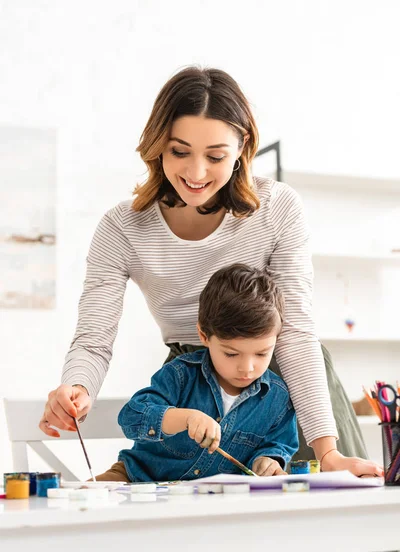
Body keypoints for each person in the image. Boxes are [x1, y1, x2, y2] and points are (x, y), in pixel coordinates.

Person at [39, 65, 382, 477]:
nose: (196, 173)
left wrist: (327, 451)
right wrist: (76, 388)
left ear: (243, 147)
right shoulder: (122, 228)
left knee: (332, 526)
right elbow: (94, 339)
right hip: (194, 390)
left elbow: (294, 331)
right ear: (157, 146)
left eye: (215, 156)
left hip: (285, 384)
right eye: (179, 151)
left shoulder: (277, 209)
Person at [95, 264, 298, 482]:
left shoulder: (277, 397)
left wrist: (266, 461)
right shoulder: (180, 375)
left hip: (212, 497)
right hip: (139, 479)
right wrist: (185, 418)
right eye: (231, 354)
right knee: (75, 505)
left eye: (261, 354)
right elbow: (131, 418)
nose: (247, 368)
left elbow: (278, 444)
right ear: (203, 334)